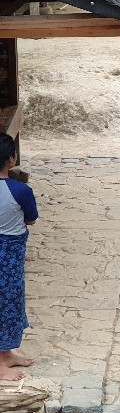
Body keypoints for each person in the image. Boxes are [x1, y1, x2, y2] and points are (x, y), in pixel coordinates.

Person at [0, 135, 38, 381]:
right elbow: (31, 219)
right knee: (8, 302)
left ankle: (6, 354)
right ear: (12, 159)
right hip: (10, 255)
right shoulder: (21, 190)